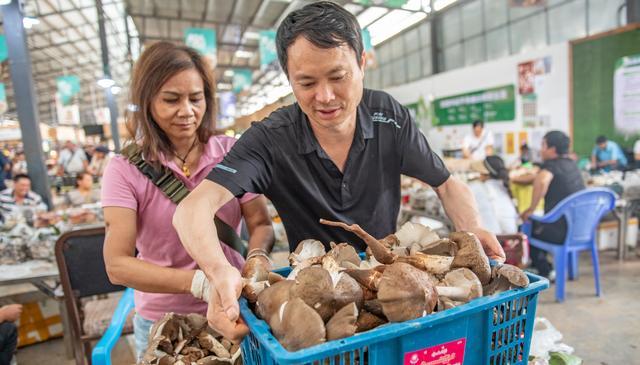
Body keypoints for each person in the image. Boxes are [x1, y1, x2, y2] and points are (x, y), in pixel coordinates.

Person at [173, 1, 505, 342]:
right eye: (306, 83)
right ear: (289, 80)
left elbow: (447, 184)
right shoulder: (269, 139)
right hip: (315, 305)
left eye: (338, 76)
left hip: (394, 290)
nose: (325, 96)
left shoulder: (389, 117)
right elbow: (191, 211)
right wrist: (218, 272)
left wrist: (473, 228)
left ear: (361, 64)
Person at [101, 41, 274, 359]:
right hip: (167, 321)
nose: (187, 111)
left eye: (196, 99)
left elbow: (260, 223)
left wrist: (253, 265)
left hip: (236, 310)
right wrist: (201, 284)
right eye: (171, 100)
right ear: (147, 101)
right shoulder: (124, 169)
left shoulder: (231, 153)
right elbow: (117, 265)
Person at [521, 131, 585, 278]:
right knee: (539, 224)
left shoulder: (551, 165)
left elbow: (542, 181)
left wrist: (530, 209)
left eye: (543, 145)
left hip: (560, 233)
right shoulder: (572, 164)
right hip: (579, 229)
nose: (541, 149)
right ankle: (548, 267)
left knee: (526, 228)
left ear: (552, 149)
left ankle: (545, 270)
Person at [469, 156, 518, 234]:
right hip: (511, 237)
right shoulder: (504, 187)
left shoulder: (476, 187)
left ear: (485, 173)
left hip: (493, 239)